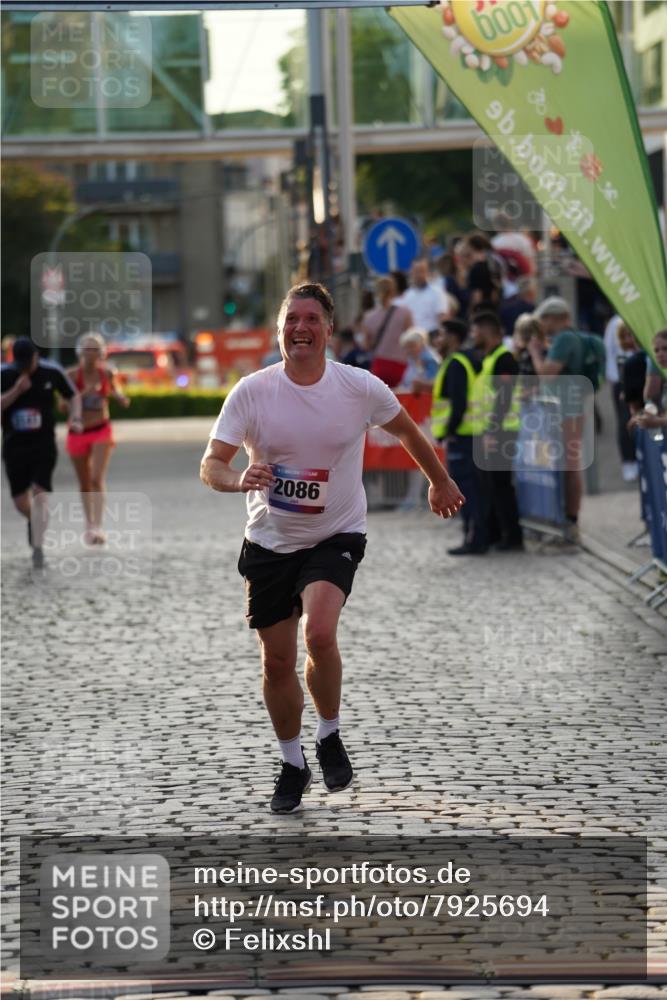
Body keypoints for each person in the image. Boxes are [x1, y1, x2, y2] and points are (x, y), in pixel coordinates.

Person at [200, 282, 464, 814]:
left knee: (319, 632)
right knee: (277, 663)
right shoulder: (251, 392)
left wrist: (439, 482)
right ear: (279, 331)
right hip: (270, 541)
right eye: (291, 319)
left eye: (311, 319)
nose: (301, 328)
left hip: (336, 533)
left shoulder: (358, 388)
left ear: (328, 329)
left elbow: (410, 433)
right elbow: (211, 465)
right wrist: (237, 479)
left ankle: (329, 733)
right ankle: (293, 761)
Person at [528, 296, 604, 544]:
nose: (543, 325)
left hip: (566, 410)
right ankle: (566, 519)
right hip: (568, 407)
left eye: (544, 320)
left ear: (555, 317)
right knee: (565, 464)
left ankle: (570, 520)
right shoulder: (569, 338)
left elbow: (547, 374)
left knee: (569, 465)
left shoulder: (564, 338)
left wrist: (535, 353)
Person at [1, 337, 81, 569]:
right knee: (20, 502)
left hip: (43, 445)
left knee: (39, 493)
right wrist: (17, 390)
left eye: (29, 363)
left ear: (36, 357)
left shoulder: (51, 371)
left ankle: (38, 548)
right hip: (14, 445)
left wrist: (75, 418)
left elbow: (73, 395)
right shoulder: (5, 374)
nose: (25, 369)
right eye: (20, 365)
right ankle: (32, 520)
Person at [65, 332, 130, 545]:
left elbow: (115, 392)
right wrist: (82, 395)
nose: (91, 352)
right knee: (84, 482)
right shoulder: (72, 376)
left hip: (101, 429)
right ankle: (89, 524)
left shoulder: (107, 374)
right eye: (87, 348)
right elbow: (60, 406)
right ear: (79, 352)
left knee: (96, 478)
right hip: (77, 433)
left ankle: (98, 526)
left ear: (101, 352)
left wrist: (120, 398)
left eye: (95, 348)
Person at [470, 312, 523, 552]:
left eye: (476, 331)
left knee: (501, 486)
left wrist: (492, 431)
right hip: (489, 431)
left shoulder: (504, 359)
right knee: (490, 486)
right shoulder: (490, 359)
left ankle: (512, 537)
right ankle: (497, 534)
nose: (473, 336)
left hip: (501, 432)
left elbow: (504, 398)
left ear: (487, 331)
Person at [431, 319, 485, 553]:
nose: (437, 340)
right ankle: (476, 537)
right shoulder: (467, 360)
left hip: (462, 436)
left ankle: (474, 539)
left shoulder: (456, 364)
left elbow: (458, 402)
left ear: (453, 337)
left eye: (441, 335)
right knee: (474, 489)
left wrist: (449, 431)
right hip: (472, 434)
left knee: (466, 491)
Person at [362, 276, 413, 387]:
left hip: (379, 364)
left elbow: (366, 346)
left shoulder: (368, 317)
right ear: (393, 291)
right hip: (400, 363)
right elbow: (412, 338)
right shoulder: (405, 312)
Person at [402, 258, 450, 339]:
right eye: (416, 271)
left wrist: (441, 337)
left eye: (422, 271)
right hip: (413, 337)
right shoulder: (407, 295)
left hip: (432, 335)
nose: (419, 275)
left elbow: (442, 317)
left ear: (427, 272)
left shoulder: (437, 292)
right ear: (411, 272)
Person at [396, 327, 441, 393]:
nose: (409, 350)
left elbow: (433, 384)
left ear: (422, 344)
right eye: (406, 347)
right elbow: (406, 383)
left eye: (412, 346)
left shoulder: (430, 360)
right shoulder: (411, 360)